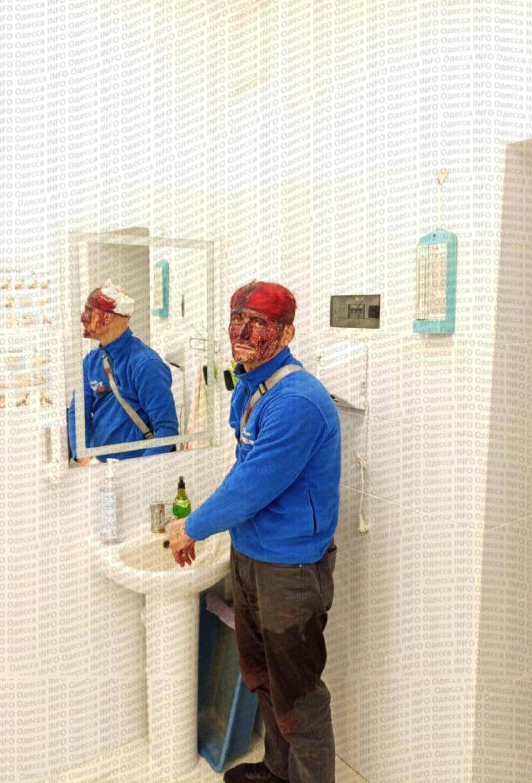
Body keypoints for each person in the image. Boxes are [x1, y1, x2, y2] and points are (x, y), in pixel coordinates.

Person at [169, 281, 341, 783]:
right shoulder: (250, 384)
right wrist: (208, 526)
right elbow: (243, 468)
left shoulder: (297, 401)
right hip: (249, 555)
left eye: (259, 323)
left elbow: (253, 485)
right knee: (262, 677)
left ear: (286, 333)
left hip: (290, 568)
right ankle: (276, 771)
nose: (242, 332)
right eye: (236, 319)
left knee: (299, 698)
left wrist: (192, 527)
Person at [68, 279, 179, 462]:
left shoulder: (145, 364)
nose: (82, 317)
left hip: (137, 467)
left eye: (89, 310)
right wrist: (83, 458)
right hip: (100, 468)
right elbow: (78, 412)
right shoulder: (91, 361)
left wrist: (139, 470)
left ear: (108, 317)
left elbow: (167, 430)